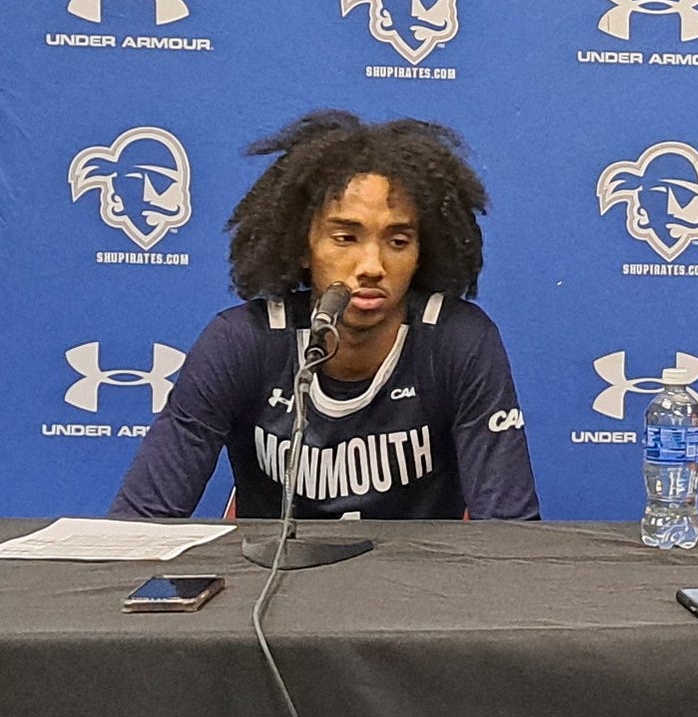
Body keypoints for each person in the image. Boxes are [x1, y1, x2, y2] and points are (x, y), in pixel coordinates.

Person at [111, 111, 539, 520]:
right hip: (274, 585)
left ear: (421, 252)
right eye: (345, 237)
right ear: (302, 247)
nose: (371, 265)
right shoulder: (242, 342)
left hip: (420, 590)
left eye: (398, 240)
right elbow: (142, 525)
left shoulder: (457, 341)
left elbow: (509, 536)